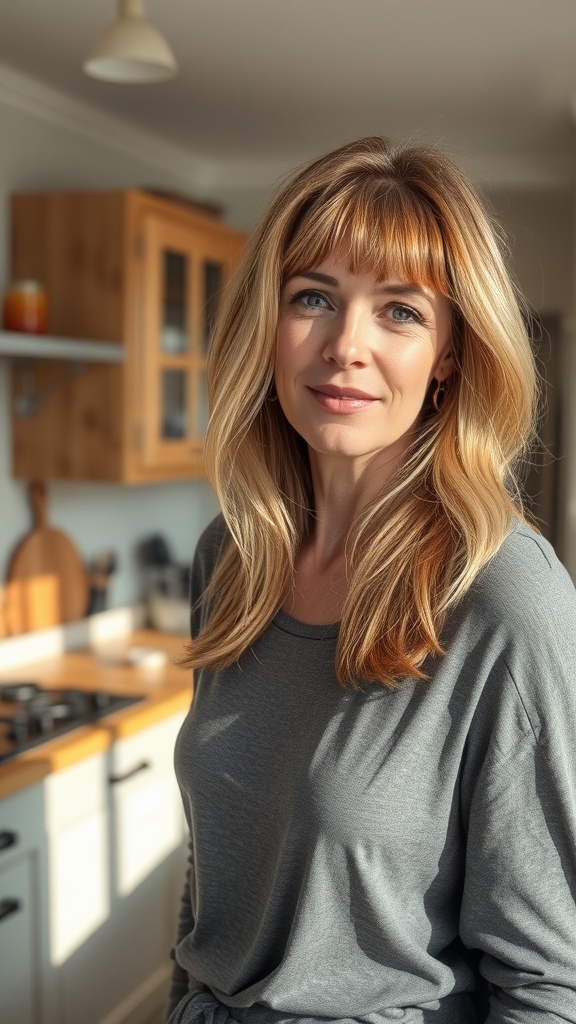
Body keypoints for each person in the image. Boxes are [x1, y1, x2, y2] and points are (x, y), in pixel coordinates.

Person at [165, 137, 576, 1024]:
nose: (345, 345)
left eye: (400, 312)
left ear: (452, 356)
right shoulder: (230, 556)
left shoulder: (506, 596)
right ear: (266, 328)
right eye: (313, 297)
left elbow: (550, 982)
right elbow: (214, 888)